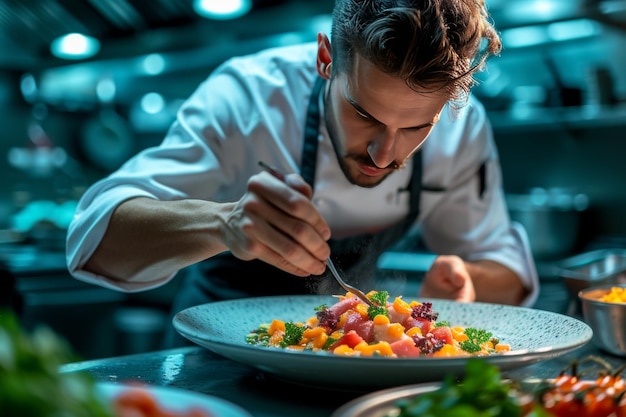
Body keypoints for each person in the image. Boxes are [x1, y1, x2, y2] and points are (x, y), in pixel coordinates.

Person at [66, 0, 539, 347]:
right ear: (325, 60)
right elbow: (92, 237)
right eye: (365, 115)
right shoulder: (246, 96)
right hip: (214, 362)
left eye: (417, 127)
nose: (383, 153)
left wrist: (467, 281)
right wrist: (224, 223)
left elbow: (510, 275)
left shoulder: (463, 126)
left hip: (363, 375)